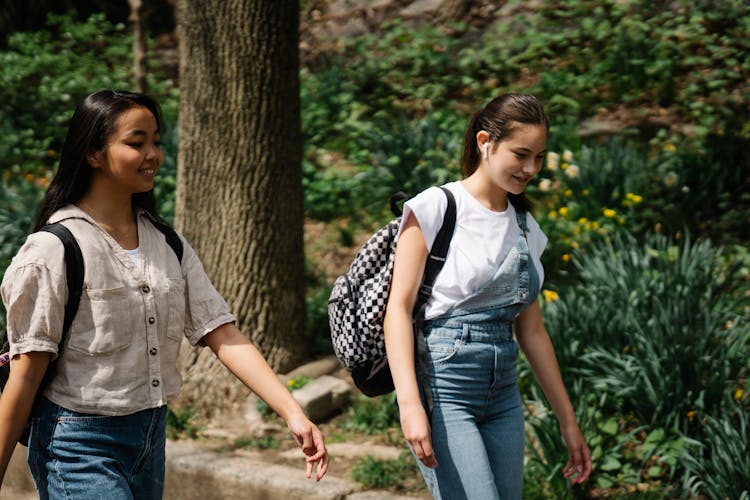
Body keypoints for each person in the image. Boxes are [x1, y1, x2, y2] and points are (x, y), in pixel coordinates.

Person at [0, 89, 328, 498]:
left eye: (156, 141)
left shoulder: (167, 244)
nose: (153, 153)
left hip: (150, 438)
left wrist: (293, 412)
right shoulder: (54, 249)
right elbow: (26, 373)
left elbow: (222, 333)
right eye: (136, 143)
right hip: (76, 444)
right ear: (93, 153)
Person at [384, 93, 591, 499]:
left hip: (504, 396)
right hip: (444, 390)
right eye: (521, 154)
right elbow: (398, 309)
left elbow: (532, 332)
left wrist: (567, 421)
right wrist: (410, 403)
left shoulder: (526, 226)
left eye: (540, 157)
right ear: (485, 142)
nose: (531, 168)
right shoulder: (436, 207)